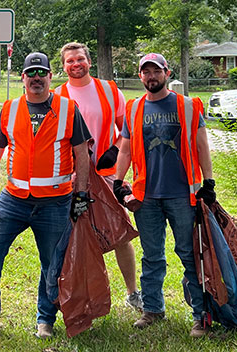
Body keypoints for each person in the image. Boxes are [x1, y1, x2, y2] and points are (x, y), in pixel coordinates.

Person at [0, 52, 92, 339]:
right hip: (14, 198)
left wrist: (81, 193)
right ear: (22, 78)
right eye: (30, 73)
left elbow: (82, 153)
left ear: (50, 76)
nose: (36, 78)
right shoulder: (10, 108)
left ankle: (45, 319)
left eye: (41, 73)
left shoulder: (69, 109)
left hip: (55, 201)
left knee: (52, 261)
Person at [113, 52, 216, 338]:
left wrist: (208, 181)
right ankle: (153, 309)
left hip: (183, 195)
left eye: (156, 71)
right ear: (140, 76)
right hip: (146, 196)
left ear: (166, 73)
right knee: (152, 256)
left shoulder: (187, 105)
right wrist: (119, 182)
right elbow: (125, 148)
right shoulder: (134, 109)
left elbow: (201, 144)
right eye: (145, 72)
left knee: (189, 254)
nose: (151, 76)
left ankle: (200, 315)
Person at [55, 42, 141, 310]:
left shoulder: (108, 89)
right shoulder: (57, 96)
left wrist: (115, 150)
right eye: (69, 61)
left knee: (120, 233)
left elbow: (126, 129)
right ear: (63, 66)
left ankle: (133, 292)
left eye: (79, 59)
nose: (75, 64)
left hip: (104, 172)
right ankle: (70, 296)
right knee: (70, 236)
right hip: (71, 175)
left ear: (89, 62)